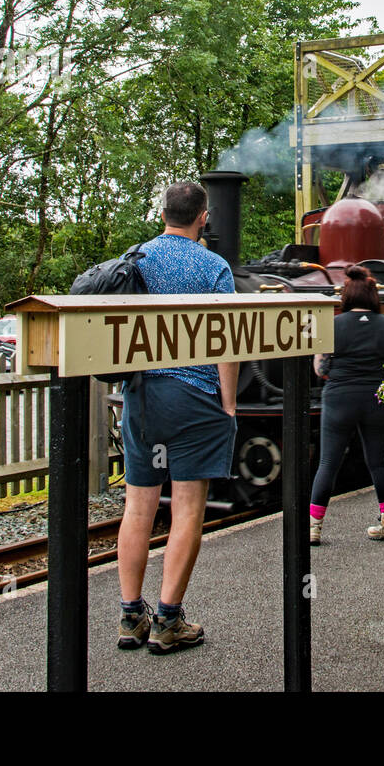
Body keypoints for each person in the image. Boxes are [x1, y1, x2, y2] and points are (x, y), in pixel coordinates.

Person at [117, 181, 238, 654]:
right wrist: (228, 406)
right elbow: (229, 340)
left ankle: (131, 616)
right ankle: (168, 620)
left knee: (138, 507)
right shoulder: (214, 267)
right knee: (187, 508)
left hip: (141, 395)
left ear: (164, 212)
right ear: (202, 217)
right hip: (195, 396)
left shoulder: (137, 258)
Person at [308, 266, 384, 546]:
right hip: (377, 398)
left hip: (339, 398)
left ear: (346, 295)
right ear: (373, 296)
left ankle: (314, 527)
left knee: (328, 462)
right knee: (378, 462)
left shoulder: (332, 325)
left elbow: (319, 368)